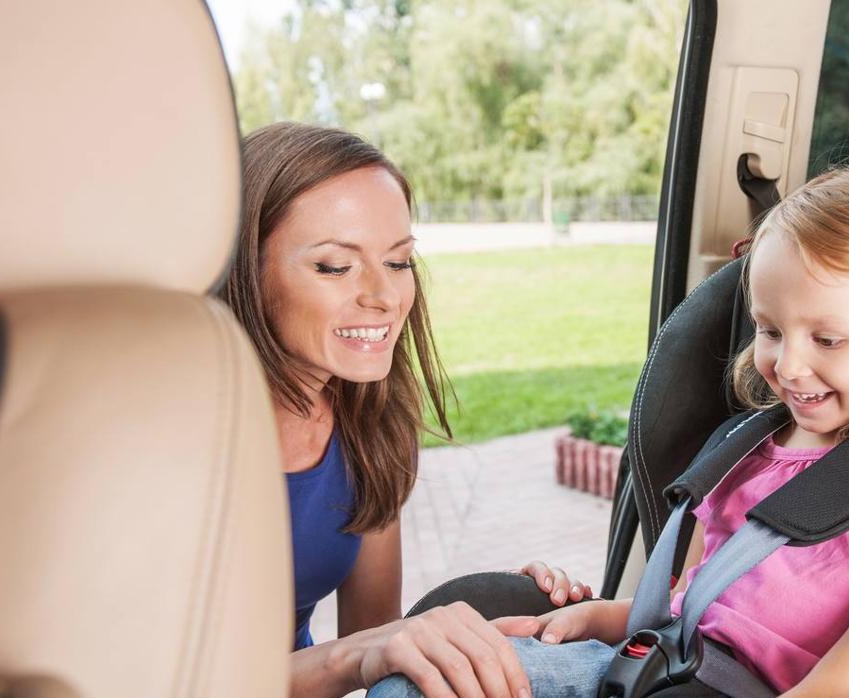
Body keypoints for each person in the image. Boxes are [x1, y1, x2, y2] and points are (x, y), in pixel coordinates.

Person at [369, 159, 849, 697]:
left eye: (827, 339)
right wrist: (596, 618)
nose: (788, 364)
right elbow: (683, 603)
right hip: (666, 671)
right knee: (415, 682)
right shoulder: (741, 451)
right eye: (770, 331)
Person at [223, 122, 590, 698]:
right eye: (334, 266)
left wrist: (500, 622)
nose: (384, 296)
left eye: (398, 262)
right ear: (243, 268)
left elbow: (373, 651)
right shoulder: (167, 444)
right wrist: (363, 653)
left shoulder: (369, 426)